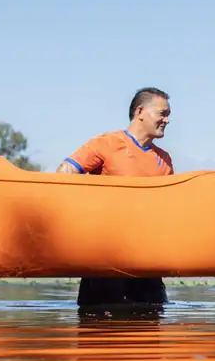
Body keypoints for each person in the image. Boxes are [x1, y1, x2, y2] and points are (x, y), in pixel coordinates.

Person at [55, 87, 174, 310]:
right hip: (105, 257)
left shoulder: (164, 160)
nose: (167, 120)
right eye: (162, 113)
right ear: (140, 111)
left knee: (152, 321)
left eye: (168, 115)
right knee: (99, 324)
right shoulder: (107, 143)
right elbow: (64, 173)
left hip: (147, 261)